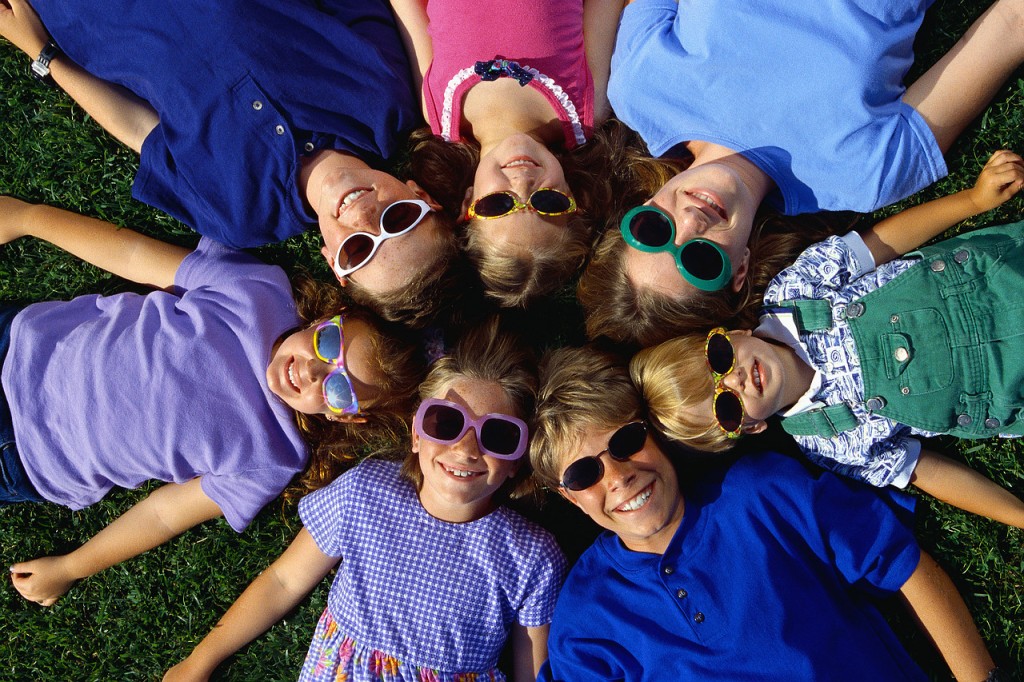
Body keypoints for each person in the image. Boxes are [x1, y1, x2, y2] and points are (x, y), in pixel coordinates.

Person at [0, 196, 424, 606]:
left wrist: (72, 567)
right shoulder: (256, 292)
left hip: (29, 459)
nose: (313, 370)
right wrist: (27, 218)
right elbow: (133, 257)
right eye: (327, 341)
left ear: (347, 418)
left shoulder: (274, 458)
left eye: (339, 388)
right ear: (324, 318)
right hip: (24, 346)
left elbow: (162, 515)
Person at [529, 346, 1000, 680]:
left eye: (627, 442)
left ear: (654, 433)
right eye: (583, 474)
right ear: (568, 497)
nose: (618, 477)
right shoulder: (586, 619)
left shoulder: (763, 493)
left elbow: (904, 568)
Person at [579, 0, 1024, 346]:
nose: (692, 223)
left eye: (655, 230)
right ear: (740, 271)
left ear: (641, 209)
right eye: (699, 259)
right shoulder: (862, 175)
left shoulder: (640, 90)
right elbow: (1007, 28)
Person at [0, 0, 459, 327]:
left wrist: (40, 53)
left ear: (333, 265)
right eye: (399, 220)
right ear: (421, 195)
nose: (363, 217)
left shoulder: (240, 216)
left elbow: (139, 129)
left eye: (358, 249)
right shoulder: (385, 96)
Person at [630, 149, 1024, 528]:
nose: (734, 380)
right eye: (727, 407)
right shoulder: (829, 443)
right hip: (1010, 387)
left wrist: (972, 201)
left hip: (997, 278)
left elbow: (883, 244)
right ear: (750, 427)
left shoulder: (794, 292)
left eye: (717, 359)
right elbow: (926, 471)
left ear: (732, 333)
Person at [164, 321, 566, 681]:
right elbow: (282, 582)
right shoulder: (366, 491)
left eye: (498, 436)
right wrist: (200, 661)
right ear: (415, 433)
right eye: (445, 422)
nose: (464, 449)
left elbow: (530, 671)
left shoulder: (532, 557)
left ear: (519, 460)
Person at [388, 0, 625, 306]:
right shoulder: (583, 109)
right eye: (547, 202)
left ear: (468, 201)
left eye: (498, 204)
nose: (523, 183)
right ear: (572, 197)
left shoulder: (439, 110)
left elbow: (407, 9)